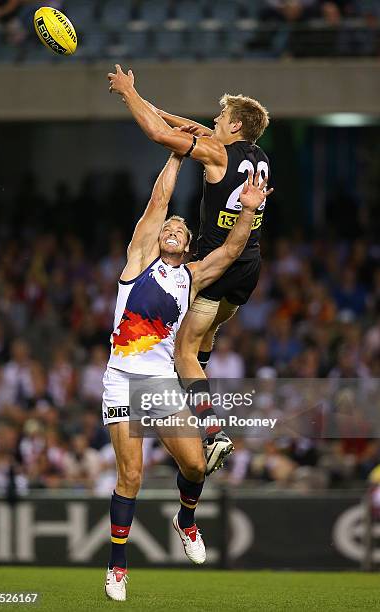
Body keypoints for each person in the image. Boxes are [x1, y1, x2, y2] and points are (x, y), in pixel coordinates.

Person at [103, 152, 272, 601]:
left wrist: (250, 209)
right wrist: (177, 154)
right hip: (122, 378)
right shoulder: (138, 262)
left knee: (197, 464)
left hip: (159, 383)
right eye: (167, 228)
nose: (172, 228)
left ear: (188, 241)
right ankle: (118, 568)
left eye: (180, 228)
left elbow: (233, 250)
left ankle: (187, 520)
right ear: (158, 239)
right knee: (131, 476)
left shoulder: (192, 278)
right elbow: (158, 201)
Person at [108, 65, 271, 474]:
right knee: (205, 337)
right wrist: (150, 104)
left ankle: (212, 430)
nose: (214, 122)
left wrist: (129, 94)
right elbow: (188, 127)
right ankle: (197, 384)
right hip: (250, 263)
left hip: (219, 262)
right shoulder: (256, 155)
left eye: (220, 118)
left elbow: (164, 137)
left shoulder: (218, 152)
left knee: (181, 350)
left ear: (234, 125)